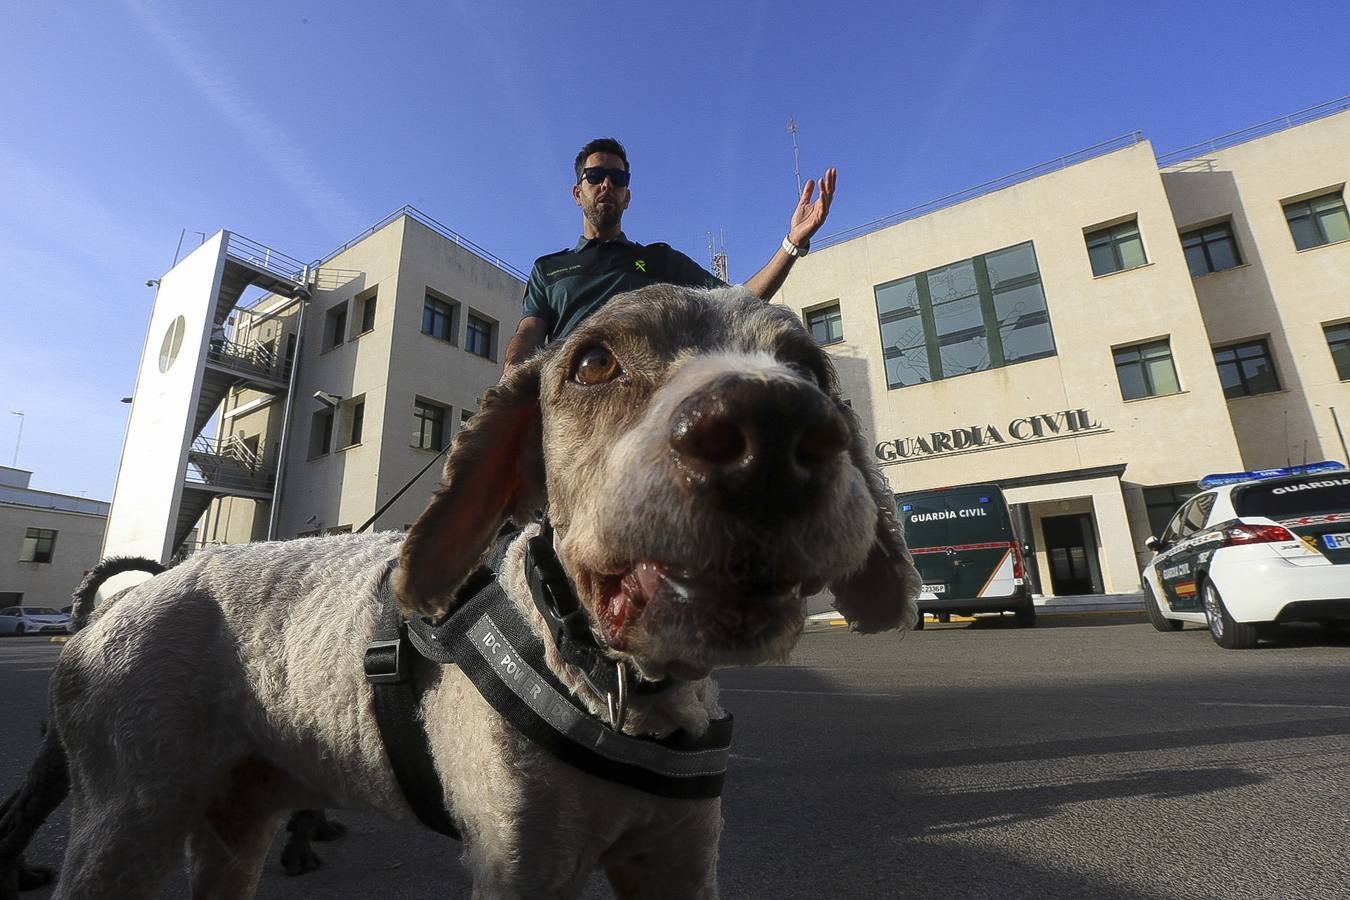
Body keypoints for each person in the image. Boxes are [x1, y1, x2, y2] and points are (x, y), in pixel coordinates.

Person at [502, 137, 836, 375]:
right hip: (571, 411)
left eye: (617, 179)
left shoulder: (660, 260)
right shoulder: (549, 269)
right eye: (595, 176)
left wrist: (791, 243)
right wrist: (511, 375)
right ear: (578, 193)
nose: (606, 184)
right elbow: (529, 333)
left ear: (627, 197)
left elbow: (740, 300)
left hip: (642, 410)